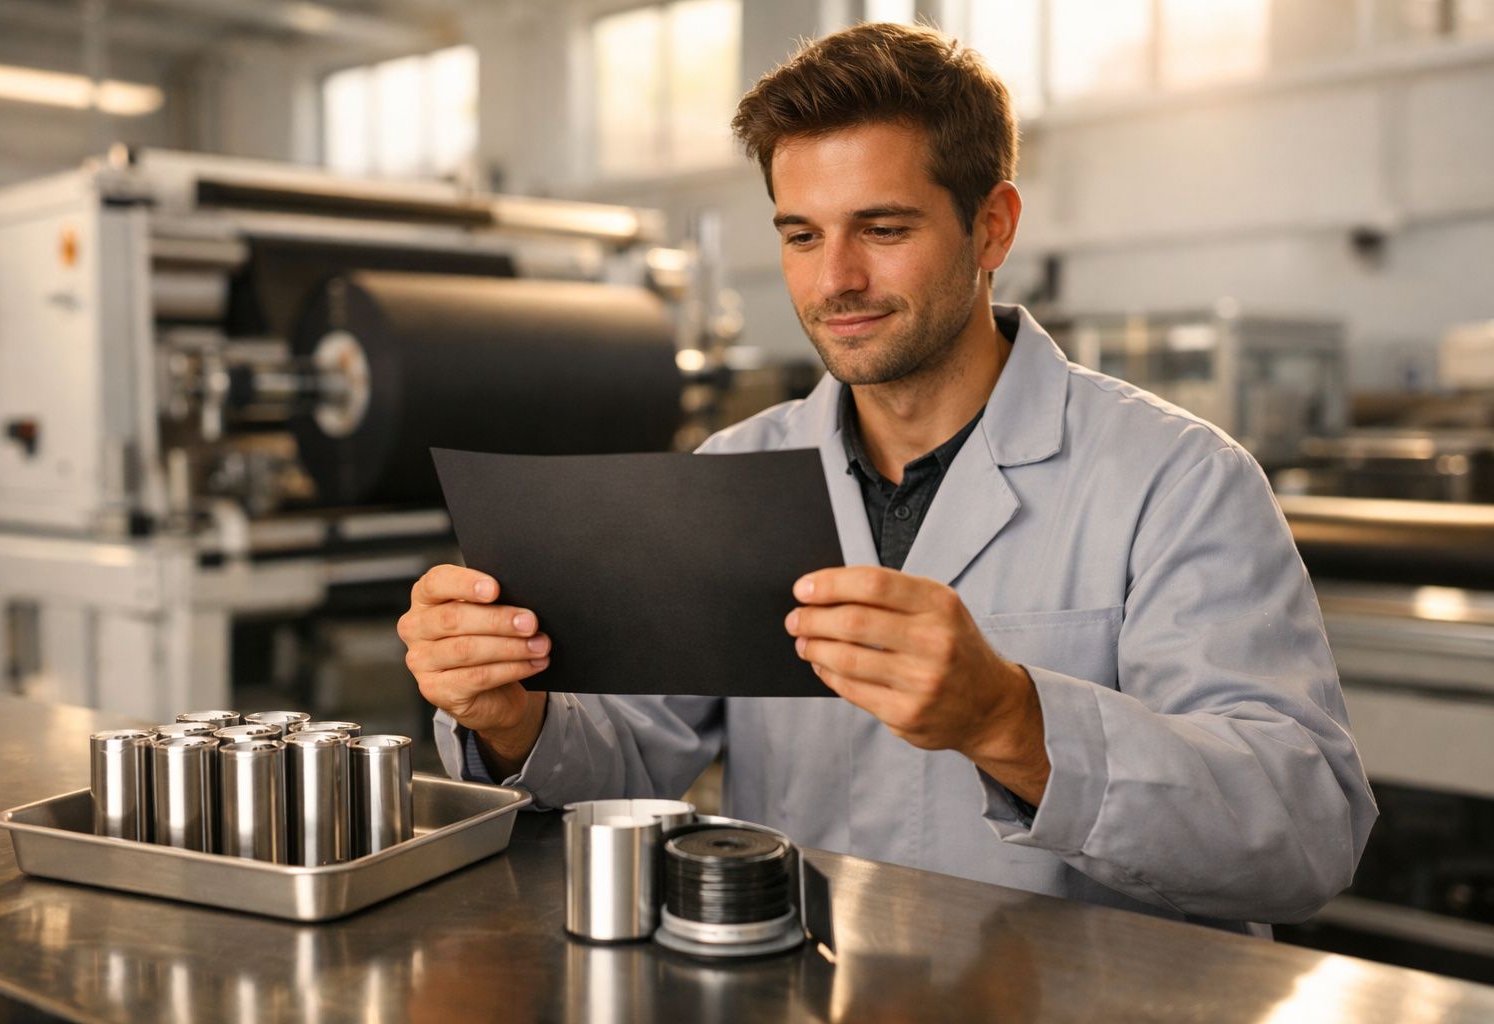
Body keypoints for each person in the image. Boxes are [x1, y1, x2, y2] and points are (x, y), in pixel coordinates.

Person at [398, 22, 1376, 935]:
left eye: (885, 227)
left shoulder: (1177, 480)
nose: (835, 282)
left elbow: (1305, 829)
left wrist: (1012, 719)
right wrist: (511, 716)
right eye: (801, 234)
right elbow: (636, 751)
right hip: (809, 985)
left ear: (991, 229)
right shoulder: (738, 471)